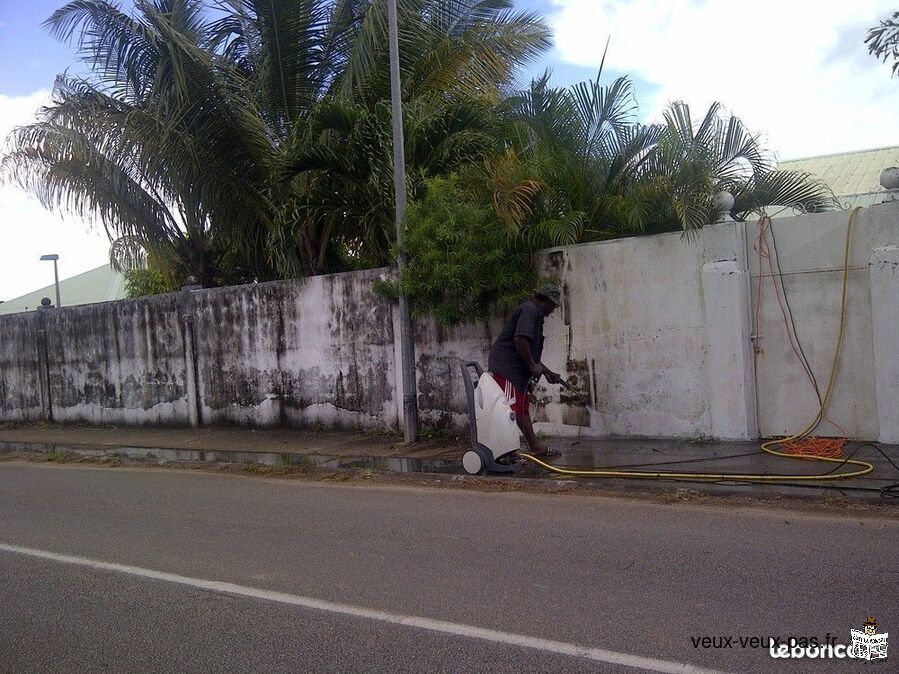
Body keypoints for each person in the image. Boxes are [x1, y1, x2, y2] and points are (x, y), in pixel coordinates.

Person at [488, 284, 565, 458]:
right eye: (552, 305)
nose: (553, 309)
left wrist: (547, 372)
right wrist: (532, 366)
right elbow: (521, 340)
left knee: (519, 407)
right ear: (543, 300)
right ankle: (523, 448)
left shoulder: (535, 314)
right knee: (515, 408)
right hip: (506, 367)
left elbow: (529, 350)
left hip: (514, 367)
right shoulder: (530, 310)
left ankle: (531, 447)